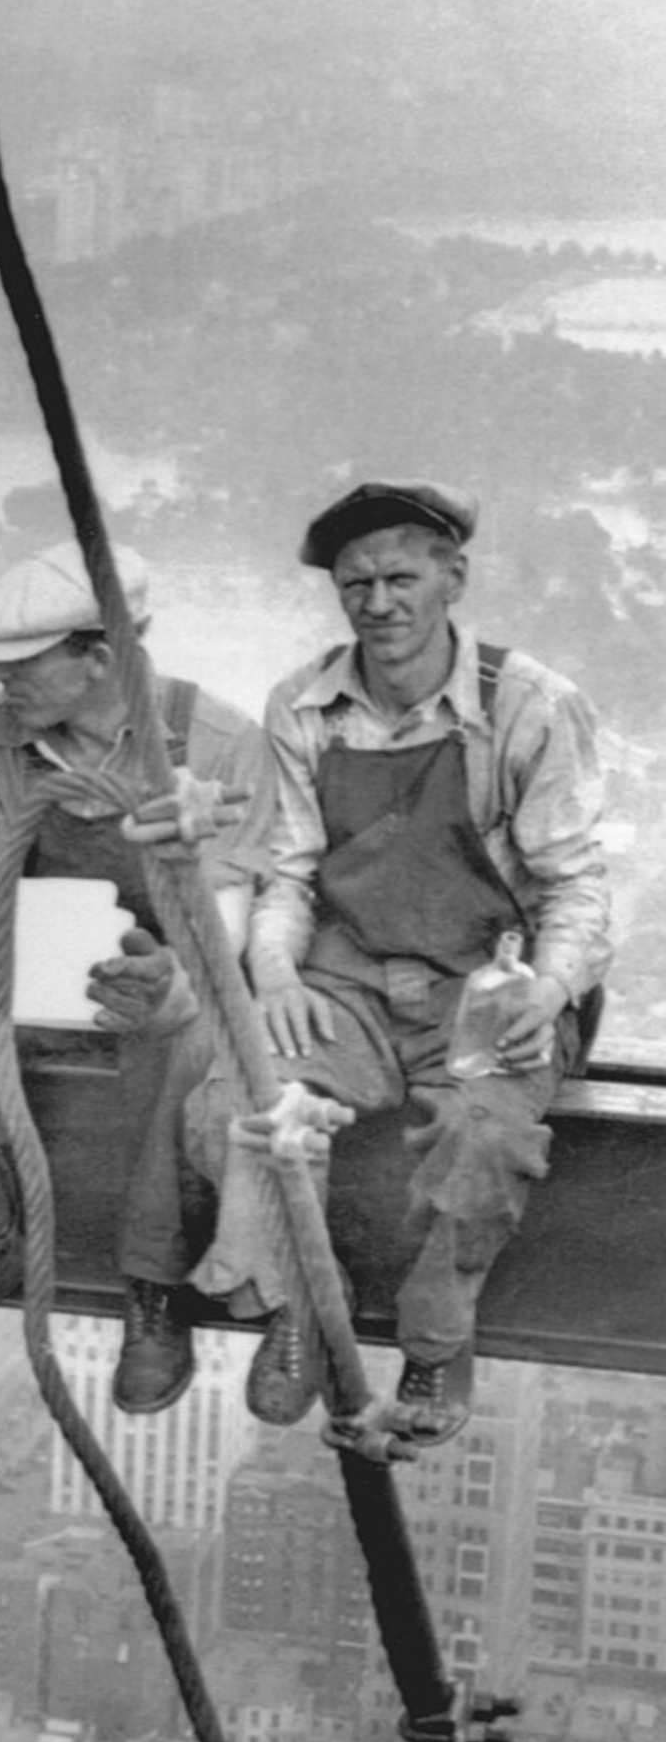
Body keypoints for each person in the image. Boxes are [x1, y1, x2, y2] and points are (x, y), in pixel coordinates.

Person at [186, 480, 607, 1444]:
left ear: (453, 578)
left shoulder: (528, 705)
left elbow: (577, 882)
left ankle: (434, 1338)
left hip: (488, 986)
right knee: (239, 1106)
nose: (379, 604)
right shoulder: (304, 704)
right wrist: (278, 976)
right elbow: (286, 873)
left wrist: (548, 985)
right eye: (355, 584)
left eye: (402, 577)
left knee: (486, 1141)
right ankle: (298, 1305)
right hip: (350, 981)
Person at [0, 541, 270, 1403]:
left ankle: (153, 1281)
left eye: (22, 664)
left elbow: (230, 916)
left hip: (168, 966)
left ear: (100, 658)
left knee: (180, 1038)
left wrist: (173, 980)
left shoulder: (217, 743)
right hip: (33, 957)